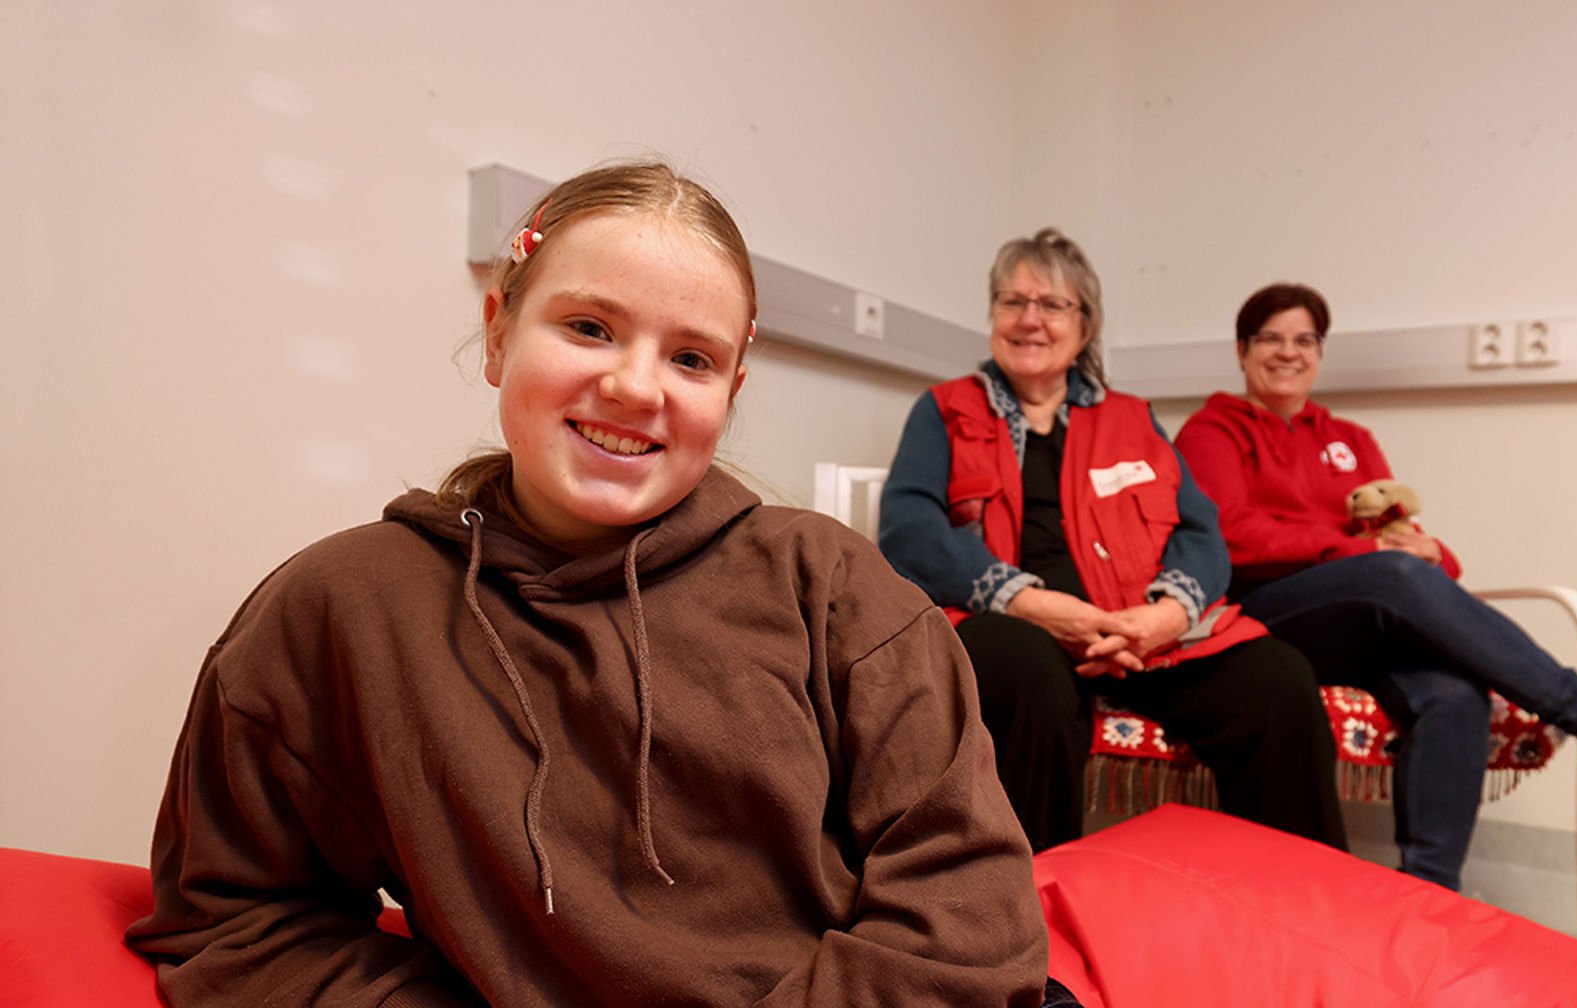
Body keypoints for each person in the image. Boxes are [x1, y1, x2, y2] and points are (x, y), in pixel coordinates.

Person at [125, 162, 1064, 1006]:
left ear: (731, 391)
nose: (634, 385)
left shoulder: (834, 588)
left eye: (690, 358)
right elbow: (236, 916)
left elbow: (969, 919)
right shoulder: (337, 610)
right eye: (588, 327)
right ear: (498, 333)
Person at [1174, 281, 1577, 891]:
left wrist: (1433, 551)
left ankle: (1427, 900)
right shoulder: (1212, 432)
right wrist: (1364, 551)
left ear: (1320, 352)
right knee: (1391, 572)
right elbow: (1231, 536)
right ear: (1242, 350)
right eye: (1271, 338)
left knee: (1455, 693)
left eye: (1305, 339)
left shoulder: (1350, 438)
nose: (1288, 352)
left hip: (1360, 616)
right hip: (1270, 615)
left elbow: (1395, 527)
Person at [877, 229, 1346, 856]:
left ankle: (1295, 906)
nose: (1030, 320)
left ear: (1086, 324)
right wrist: (1027, 601)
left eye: (1053, 305)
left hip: (1141, 632)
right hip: (1012, 625)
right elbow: (909, 528)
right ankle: (1030, 915)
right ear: (992, 313)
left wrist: (1166, 615)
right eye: (1013, 302)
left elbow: (1200, 532)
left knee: (1278, 683)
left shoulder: (1132, 416)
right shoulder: (945, 409)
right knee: (1029, 676)